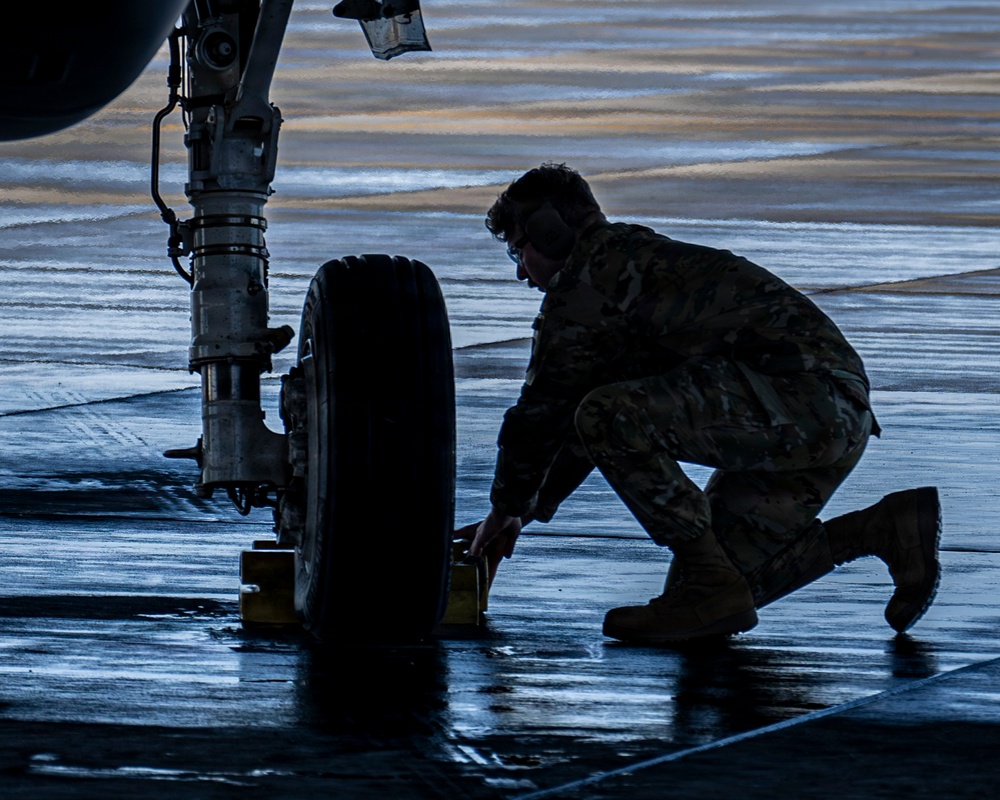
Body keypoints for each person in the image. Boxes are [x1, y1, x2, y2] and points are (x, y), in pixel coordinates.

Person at [461, 162, 941, 644]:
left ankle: (710, 580)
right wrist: (524, 509)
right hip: (821, 415)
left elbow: (543, 413)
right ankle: (880, 529)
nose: (521, 272)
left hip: (800, 405)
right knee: (718, 597)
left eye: (517, 251)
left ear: (547, 233)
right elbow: (572, 429)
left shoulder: (590, 281)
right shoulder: (631, 260)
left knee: (607, 414)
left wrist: (507, 506)